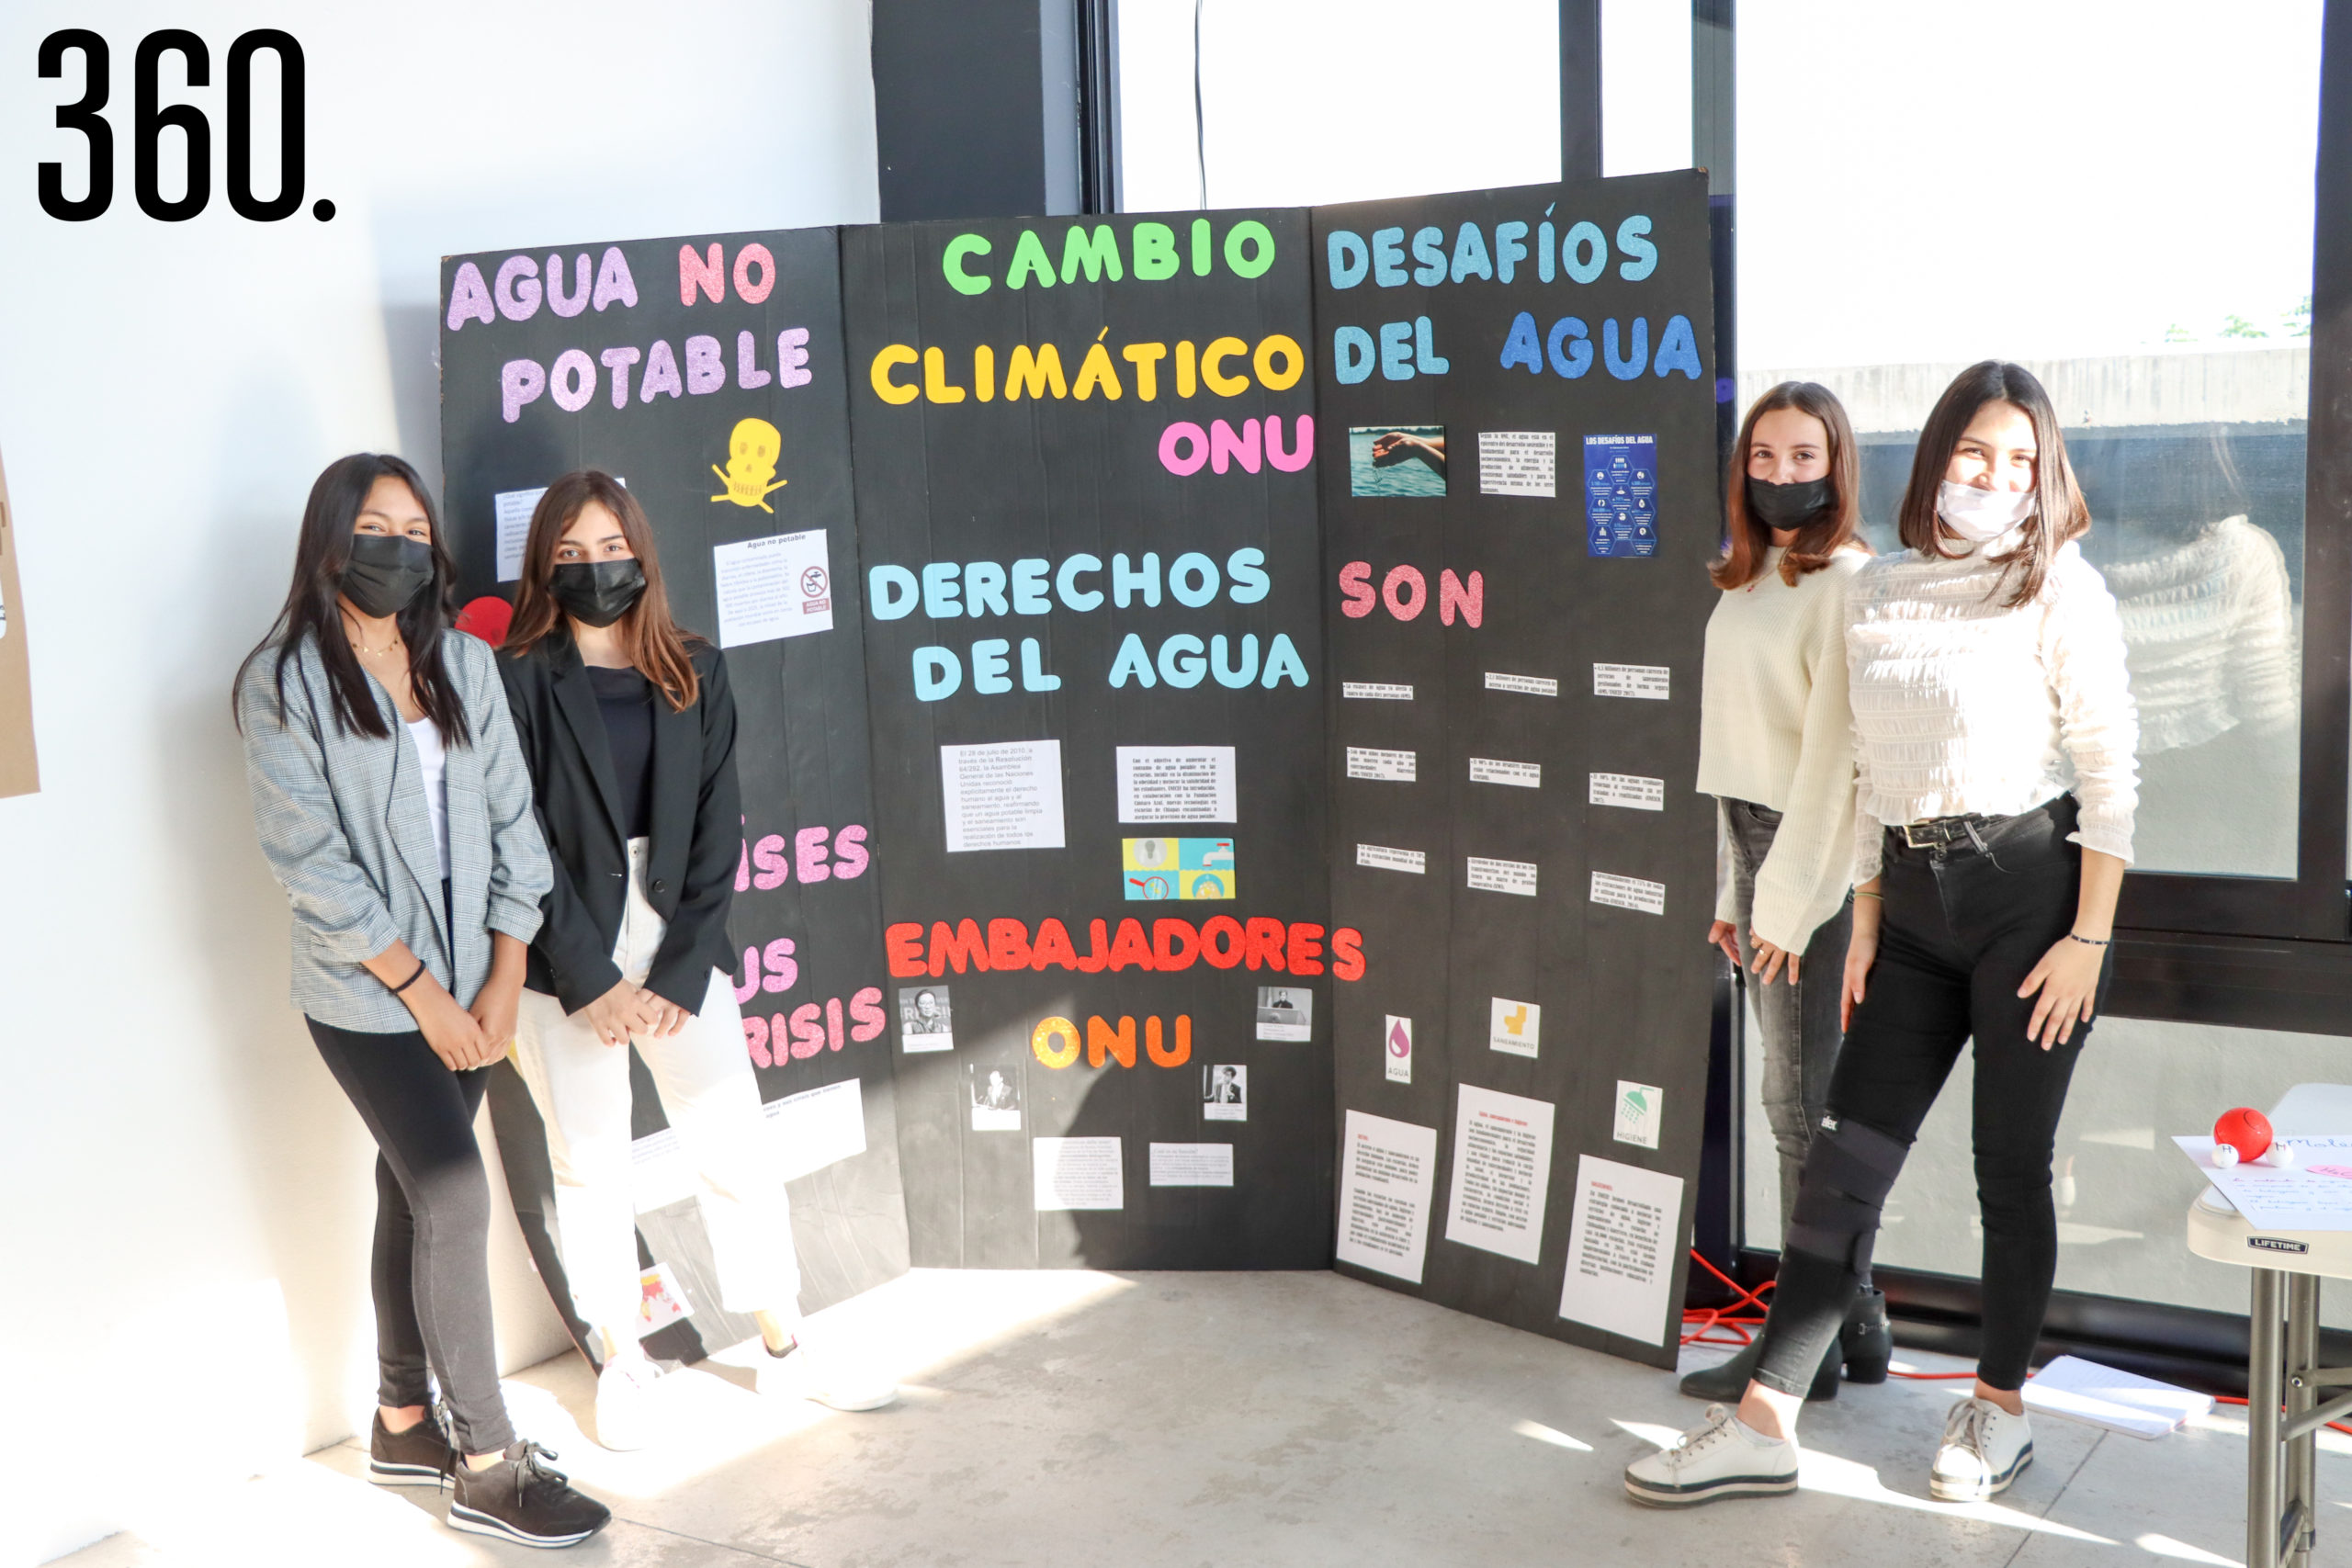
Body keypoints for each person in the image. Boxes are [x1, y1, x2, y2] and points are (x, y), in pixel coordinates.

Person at [1626, 362, 2138, 1508]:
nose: (1993, 478)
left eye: (2018, 460)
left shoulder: (2061, 586)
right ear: (1936, 459)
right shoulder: (1884, 589)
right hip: (1908, 909)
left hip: (2030, 903)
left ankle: (1997, 1411)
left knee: (2008, 1172)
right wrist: (1864, 917)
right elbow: (1864, 773)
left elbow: (2108, 777)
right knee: (1843, 1167)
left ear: (2044, 473)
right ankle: (1768, 1420)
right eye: (1973, 454)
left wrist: (2087, 942)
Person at [234, 454, 610, 1549]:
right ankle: (486, 1462)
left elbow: (515, 832)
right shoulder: (281, 684)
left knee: (409, 1195)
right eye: (374, 526)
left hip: (475, 987)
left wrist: (497, 979)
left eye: (415, 527)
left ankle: (403, 1421)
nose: (399, 545)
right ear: (329, 542)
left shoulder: (463, 663)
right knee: (453, 1195)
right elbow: (310, 865)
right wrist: (425, 999)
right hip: (366, 999)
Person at [495, 470, 895, 1452]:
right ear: (545, 564)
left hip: (677, 941)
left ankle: (782, 1341)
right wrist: (589, 976)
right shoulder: (517, 679)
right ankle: (621, 1357)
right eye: (572, 554)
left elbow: (721, 832)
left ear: (644, 552)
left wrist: (675, 974)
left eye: (612, 549)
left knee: (731, 1140)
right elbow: (518, 836)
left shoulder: (695, 669)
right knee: (588, 1161)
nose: (597, 568)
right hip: (565, 949)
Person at [1683, 383, 1885, 1405]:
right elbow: (1738, 758)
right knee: (1801, 1107)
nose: (1780, 475)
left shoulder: (1847, 581)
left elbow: (1832, 767)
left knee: (1798, 1107)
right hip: (1757, 846)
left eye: (1803, 457)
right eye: (1763, 457)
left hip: (1812, 858)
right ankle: (1854, 1328)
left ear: (1836, 465)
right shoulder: (1745, 578)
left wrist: (1784, 905)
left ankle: (1797, 1346)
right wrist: (1733, 887)